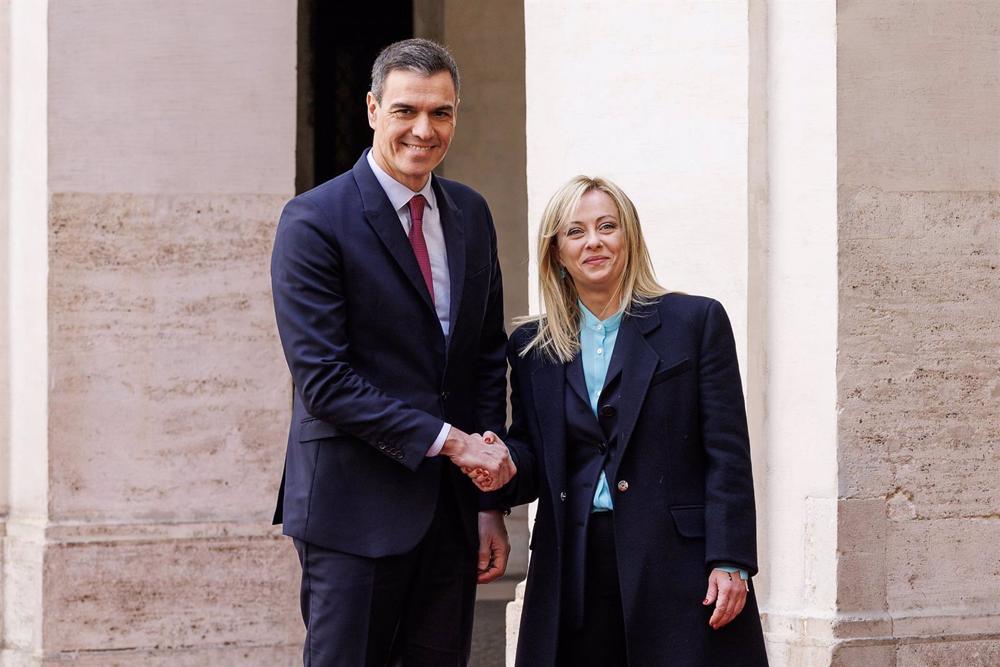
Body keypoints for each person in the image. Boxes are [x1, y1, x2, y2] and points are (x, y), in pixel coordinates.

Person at [270, 38, 517, 666]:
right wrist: (453, 441)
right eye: (407, 110)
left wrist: (487, 499)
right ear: (374, 108)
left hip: (450, 513)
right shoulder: (313, 220)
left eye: (441, 112)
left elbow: (486, 357)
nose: (423, 130)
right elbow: (323, 380)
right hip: (352, 509)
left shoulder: (471, 213)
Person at [487, 176, 768, 666]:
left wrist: (731, 559)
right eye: (575, 232)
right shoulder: (532, 348)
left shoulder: (695, 323)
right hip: (572, 567)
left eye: (606, 226)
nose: (593, 241)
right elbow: (532, 458)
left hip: (679, 566)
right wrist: (500, 465)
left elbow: (726, 452)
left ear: (629, 237)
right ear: (556, 252)